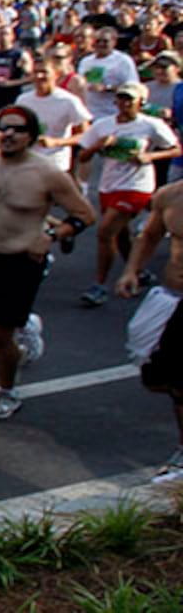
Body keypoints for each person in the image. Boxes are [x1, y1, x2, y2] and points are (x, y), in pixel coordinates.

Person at [0, 107, 98, 418]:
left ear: (31, 137)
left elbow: (85, 215)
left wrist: (52, 234)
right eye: (3, 128)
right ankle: (17, 348)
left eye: (18, 130)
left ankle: (6, 391)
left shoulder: (48, 174)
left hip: (20, 261)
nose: (9, 134)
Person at [77, 82, 180, 306]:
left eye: (129, 100)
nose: (124, 104)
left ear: (140, 103)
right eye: (121, 99)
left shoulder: (151, 125)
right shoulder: (103, 125)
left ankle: (99, 286)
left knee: (105, 231)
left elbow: (176, 148)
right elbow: (82, 156)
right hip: (108, 186)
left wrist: (149, 158)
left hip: (137, 185)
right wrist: (99, 146)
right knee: (120, 234)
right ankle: (138, 270)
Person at [116, 181, 183, 481]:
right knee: (155, 378)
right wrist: (132, 270)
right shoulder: (170, 194)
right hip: (171, 295)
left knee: (181, 384)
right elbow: (150, 235)